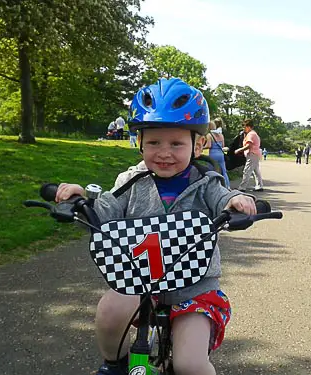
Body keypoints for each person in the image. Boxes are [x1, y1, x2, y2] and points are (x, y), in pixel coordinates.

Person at [54, 78, 256, 375]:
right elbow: (106, 208)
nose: (164, 152)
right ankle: (115, 364)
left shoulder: (206, 182)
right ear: (139, 143)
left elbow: (224, 198)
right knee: (110, 309)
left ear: (198, 144)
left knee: (191, 364)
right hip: (139, 280)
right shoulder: (131, 181)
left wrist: (237, 200)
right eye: (153, 142)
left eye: (176, 143)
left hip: (194, 289)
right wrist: (82, 200)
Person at [235, 119, 263, 192]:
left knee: (247, 171)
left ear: (248, 127)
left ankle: (242, 187)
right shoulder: (253, 133)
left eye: (244, 127)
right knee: (256, 171)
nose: (243, 129)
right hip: (255, 154)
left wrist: (239, 150)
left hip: (252, 154)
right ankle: (259, 185)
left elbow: (249, 145)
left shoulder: (251, 134)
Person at [205, 121, 230, 188]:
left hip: (213, 154)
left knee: (211, 171)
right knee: (224, 171)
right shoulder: (221, 135)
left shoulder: (209, 135)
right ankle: (227, 186)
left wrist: (202, 147)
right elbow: (223, 146)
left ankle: (212, 186)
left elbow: (209, 145)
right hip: (221, 154)